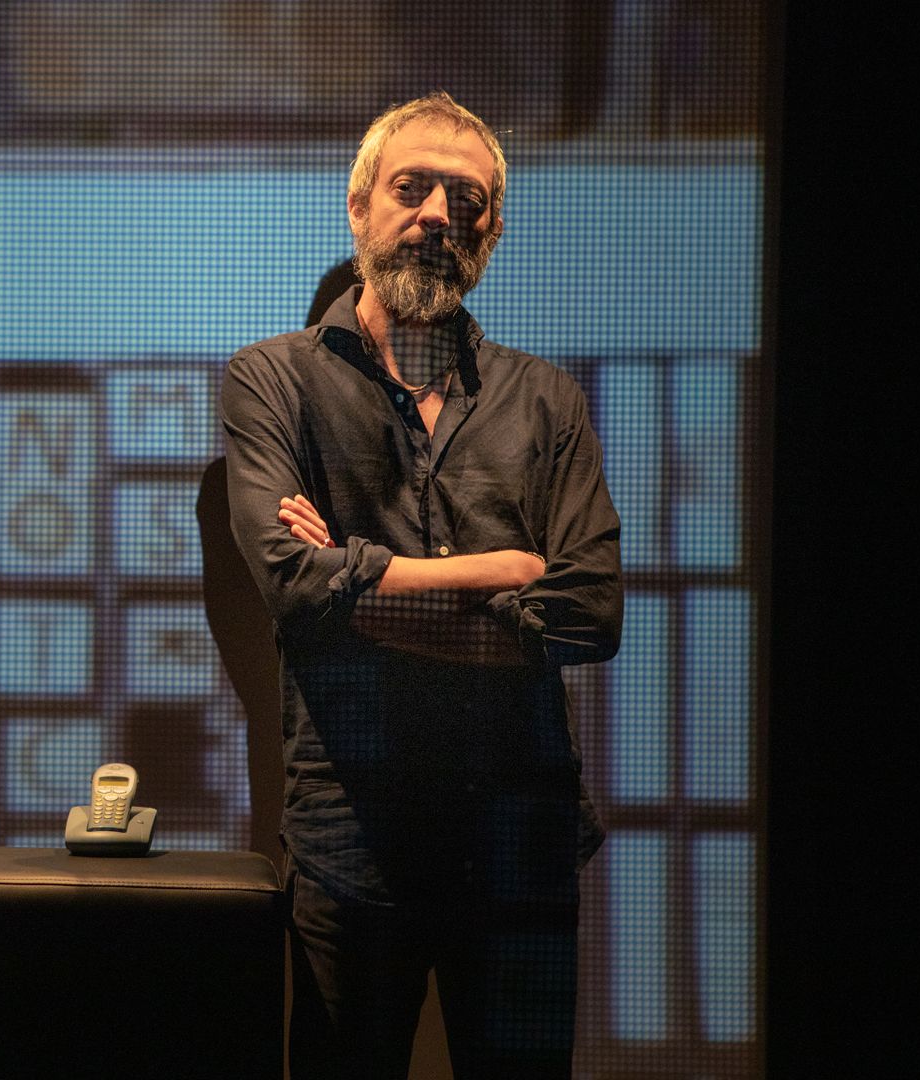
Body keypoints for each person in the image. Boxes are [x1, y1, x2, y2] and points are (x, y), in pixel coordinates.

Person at [220, 93, 622, 1078]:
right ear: (359, 206)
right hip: (352, 846)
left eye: (466, 199)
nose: (440, 213)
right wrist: (501, 574)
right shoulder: (273, 383)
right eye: (413, 189)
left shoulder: (547, 400)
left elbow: (590, 611)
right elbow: (291, 584)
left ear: (493, 230)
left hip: (520, 843)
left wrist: (358, 593)